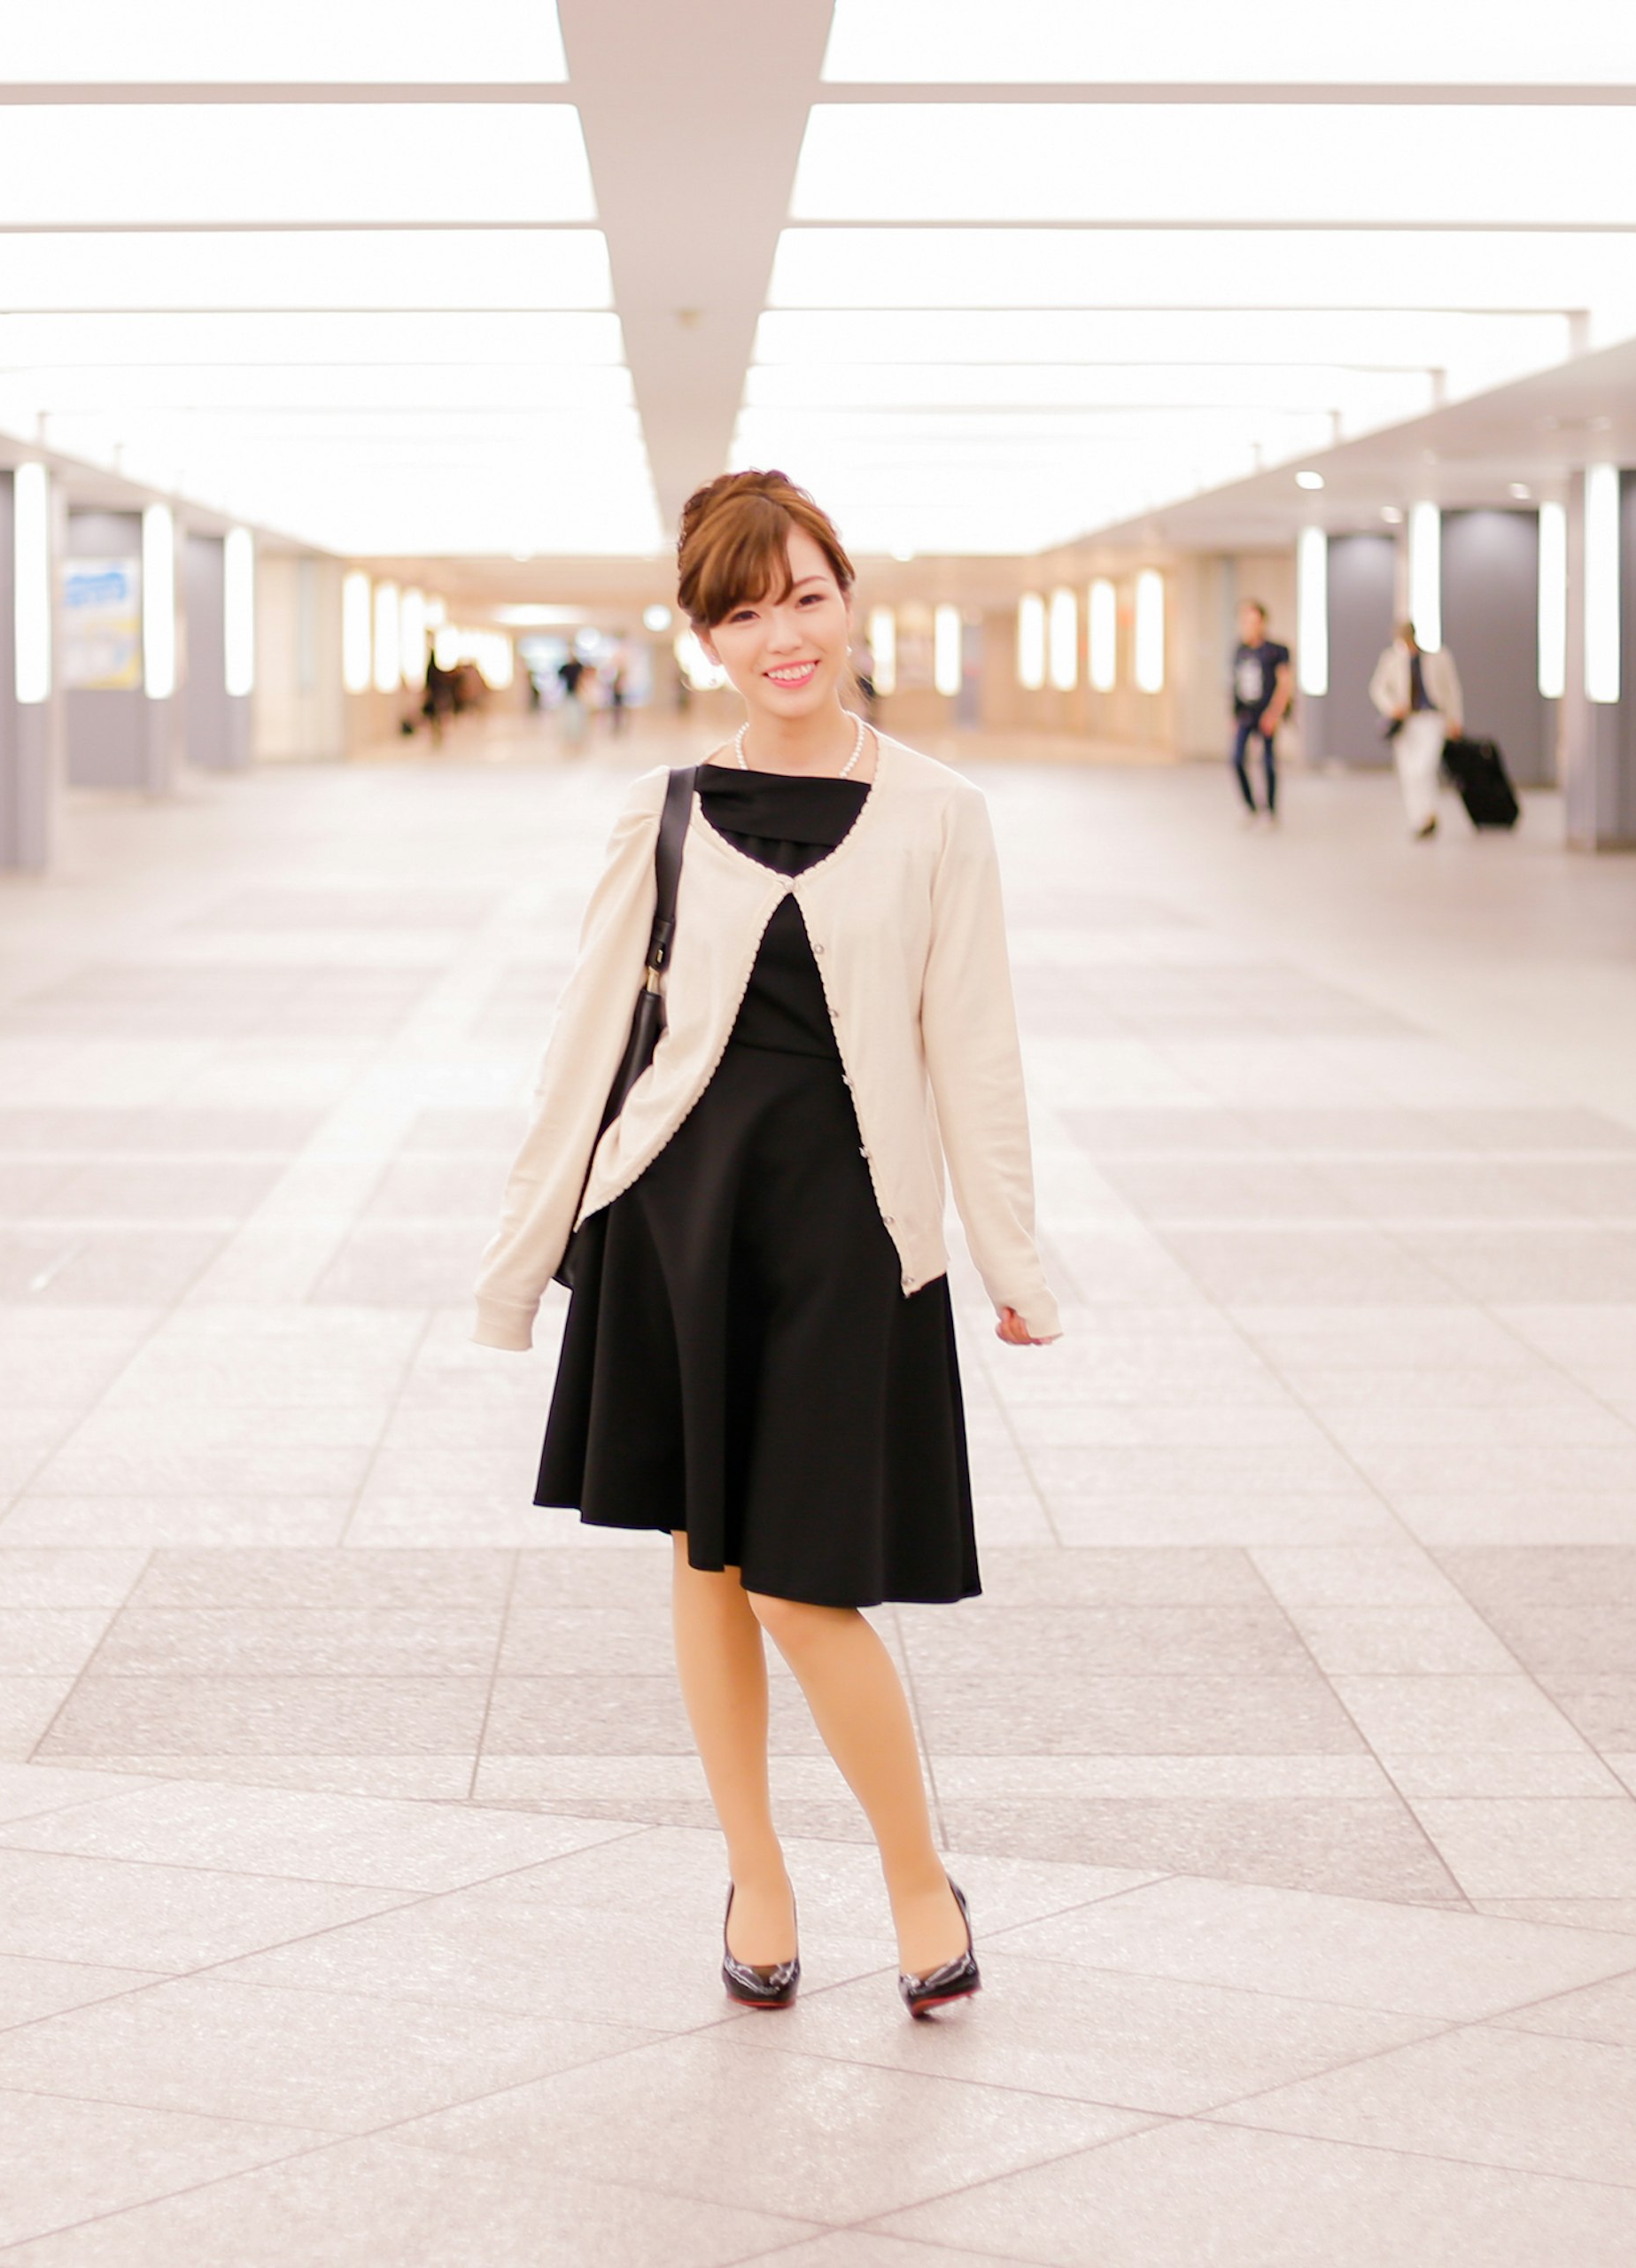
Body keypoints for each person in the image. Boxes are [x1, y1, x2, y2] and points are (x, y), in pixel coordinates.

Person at [476, 469, 1059, 2021]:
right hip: (683, 1219)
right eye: (744, 614)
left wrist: (1013, 1264)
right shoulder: (662, 814)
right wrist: (520, 1264)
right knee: (710, 1558)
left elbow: (974, 1050)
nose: (781, 636)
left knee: (807, 1584)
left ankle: (915, 1871)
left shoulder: (944, 814)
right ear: (706, 641)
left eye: (804, 596)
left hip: (850, 1237)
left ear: (849, 598)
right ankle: (758, 1874)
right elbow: (586, 1042)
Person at [1369, 617, 1464, 839]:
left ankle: (1429, 811)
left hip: (1431, 719)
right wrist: (1392, 707)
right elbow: (1377, 688)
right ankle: (1419, 818)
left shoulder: (1439, 658)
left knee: (1423, 768)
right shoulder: (1391, 659)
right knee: (1408, 771)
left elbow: (1452, 690)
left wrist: (1455, 719)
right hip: (1406, 721)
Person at [1228, 601, 1292, 822]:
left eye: (1254, 621)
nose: (1249, 626)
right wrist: (1233, 715)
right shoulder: (1240, 650)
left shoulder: (1276, 650)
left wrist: (1274, 713)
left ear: (1263, 623)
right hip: (1246, 714)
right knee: (1236, 759)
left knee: (1267, 763)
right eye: (1246, 621)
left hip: (1267, 714)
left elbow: (1285, 684)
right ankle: (1250, 806)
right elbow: (1235, 685)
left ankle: (1271, 809)